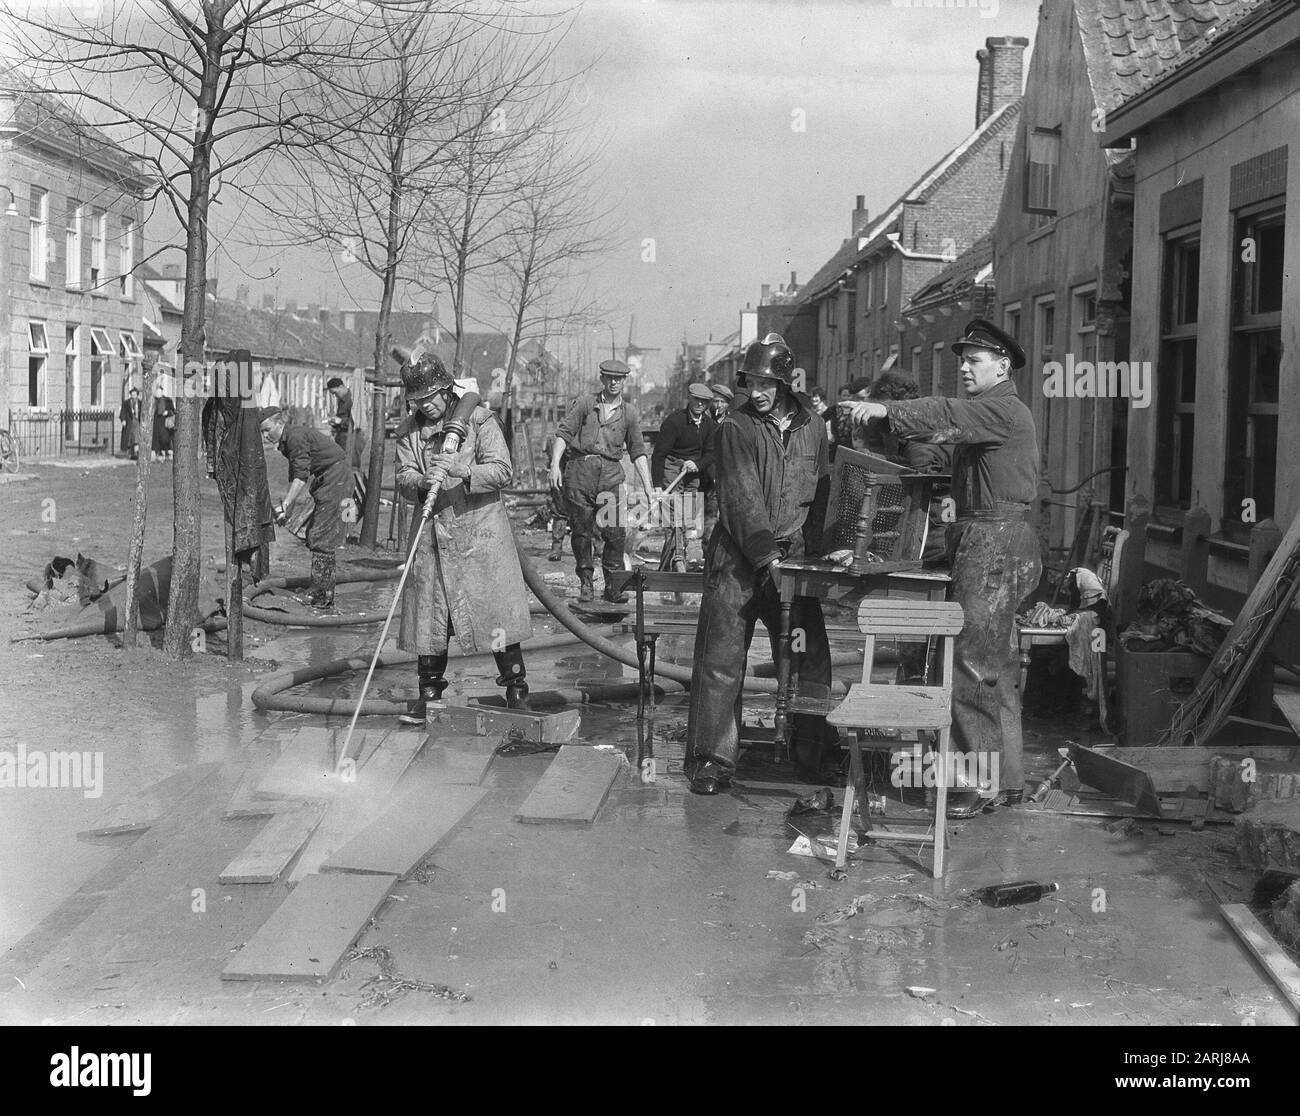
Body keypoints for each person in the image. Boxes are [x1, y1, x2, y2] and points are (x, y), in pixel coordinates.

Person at [841, 318, 1042, 814]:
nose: (965, 369)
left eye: (974, 361)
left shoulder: (1000, 409)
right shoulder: (997, 412)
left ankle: (976, 784)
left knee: (970, 665)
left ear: (1002, 365)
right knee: (997, 666)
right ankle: (1006, 779)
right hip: (994, 536)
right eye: (962, 361)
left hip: (993, 543)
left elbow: (942, 414)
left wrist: (885, 410)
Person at [685, 333, 837, 795]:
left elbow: (823, 491)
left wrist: (825, 550)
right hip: (738, 559)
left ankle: (811, 753)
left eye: (768, 382)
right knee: (722, 658)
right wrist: (768, 557)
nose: (759, 392)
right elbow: (740, 497)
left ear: (787, 382)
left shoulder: (813, 427)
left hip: (795, 561)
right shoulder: (737, 426)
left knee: (807, 657)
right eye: (752, 382)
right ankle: (712, 759)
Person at [393, 353, 534, 723]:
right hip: (433, 538)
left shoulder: (479, 420)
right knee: (430, 620)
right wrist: (421, 482)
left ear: (446, 389)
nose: (426, 406)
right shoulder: (409, 432)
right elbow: (403, 475)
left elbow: (503, 470)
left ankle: (516, 693)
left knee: (494, 615)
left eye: (432, 398)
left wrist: (463, 470)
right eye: (419, 401)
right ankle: (429, 696)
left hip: (480, 539)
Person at [549, 359, 653, 603]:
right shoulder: (586, 404)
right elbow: (564, 434)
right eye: (609, 377)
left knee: (615, 534)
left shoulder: (629, 413)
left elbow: (637, 451)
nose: (614, 382)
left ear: (625, 381)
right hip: (580, 473)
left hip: (610, 477)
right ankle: (586, 582)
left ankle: (613, 586)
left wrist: (648, 487)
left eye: (618, 378)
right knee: (581, 532)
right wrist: (554, 465)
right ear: (602, 379)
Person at [260, 406, 349, 609]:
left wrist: (285, 505)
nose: (266, 436)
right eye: (262, 432)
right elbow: (297, 471)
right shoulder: (288, 439)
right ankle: (320, 590)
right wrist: (288, 509)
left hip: (335, 479)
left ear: (279, 423)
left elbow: (301, 477)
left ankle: (321, 596)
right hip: (328, 478)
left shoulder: (295, 437)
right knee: (315, 534)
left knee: (321, 537)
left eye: (267, 429)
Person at [651, 382, 715, 569]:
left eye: (704, 401)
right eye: (696, 399)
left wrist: (697, 464)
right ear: (689, 398)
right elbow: (659, 454)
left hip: (693, 471)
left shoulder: (709, 425)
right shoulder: (674, 421)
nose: (700, 404)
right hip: (672, 468)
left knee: (687, 517)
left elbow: (711, 453)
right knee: (673, 517)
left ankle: (674, 560)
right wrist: (657, 485)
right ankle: (677, 557)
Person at [326, 376, 354, 451]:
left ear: (341, 387)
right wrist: (334, 423)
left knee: (346, 460)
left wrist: (341, 421)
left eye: (335, 393)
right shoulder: (341, 400)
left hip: (349, 438)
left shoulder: (352, 400)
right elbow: (341, 417)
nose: (335, 396)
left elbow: (356, 422)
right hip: (341, 436)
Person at [151, 385, 176, 461]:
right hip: (156, 422)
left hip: (165, 422)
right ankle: (158, 453)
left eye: (159, 391)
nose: (158, 393)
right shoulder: (153, 400)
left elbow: (173, 411)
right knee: (156, 438)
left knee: (165, 438)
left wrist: (167, 412)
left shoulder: (167, 400)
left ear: (162, 392)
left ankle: (165, 452)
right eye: (157, 391)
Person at [119, 387, 143, 459]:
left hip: (137, 422)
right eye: (132, 395)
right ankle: (130, 452)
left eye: (135, 395)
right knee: (129, 437)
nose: (133, 396)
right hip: (129, 422)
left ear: (137, 395)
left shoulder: (140, 403)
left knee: (136, 437)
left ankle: (136, 453)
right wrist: (123, 420)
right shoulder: (126, 403)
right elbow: (122, 412)